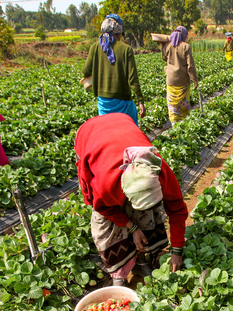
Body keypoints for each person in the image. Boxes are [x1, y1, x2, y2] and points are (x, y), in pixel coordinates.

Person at [75, 113, 188, 286]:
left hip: (122, 124)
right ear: (123, 189)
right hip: (90, 135)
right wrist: (131, 227)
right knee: (104, 227)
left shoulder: (161, 172)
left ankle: (140, 261)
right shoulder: (106, 183)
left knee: (146, 214)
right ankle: (119, 273)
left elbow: (177, 211)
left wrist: (177, 250)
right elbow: (104, 208)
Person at [83, 14, 145, 125]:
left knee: (106, 128)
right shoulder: (126, 49)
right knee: (131, 125)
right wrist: (140, 101)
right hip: (122, 100)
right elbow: (133, 79)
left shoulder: (95, 47)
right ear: (119, 31)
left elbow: (86, 71)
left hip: (103, 101)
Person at [162, 26, 198, 123]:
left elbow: (164, 58)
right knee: (183, 105)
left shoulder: (168, 46)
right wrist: (195, 80)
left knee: (173, 105)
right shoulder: (186, 46)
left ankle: (174, 123)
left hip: (171, 80)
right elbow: (190, 65)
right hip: (183, 81)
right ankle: (183, 124)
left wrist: (163, 45)